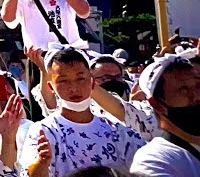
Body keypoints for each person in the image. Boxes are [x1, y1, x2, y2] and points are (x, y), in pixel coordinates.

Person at [19, 47, 144, 177]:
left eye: (80, 79)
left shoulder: (116, 130)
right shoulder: (43, 131)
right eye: (63, 81)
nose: (74, 88)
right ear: (51, 86)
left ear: (92, 82)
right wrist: (42, 162)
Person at [129, 55, 200, 177]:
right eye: (183, 89)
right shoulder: (154, 160)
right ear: (157, 105)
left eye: (199, 86)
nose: (197, 96)